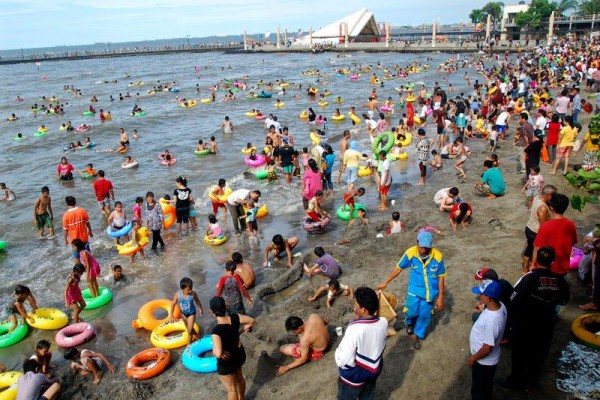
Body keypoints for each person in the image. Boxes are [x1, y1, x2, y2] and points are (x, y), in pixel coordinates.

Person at [499, 247, 570, 390]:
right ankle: (531, 381)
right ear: (553, 261)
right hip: (546, 324)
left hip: (525, 324)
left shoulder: (529, 278)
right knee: (539, 354)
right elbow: (564, 300)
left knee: (519, 354)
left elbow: (513, 299)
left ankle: (515, 380)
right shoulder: (559, 280)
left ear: (536, 259)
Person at [377, 231, 446, 349]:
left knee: (425, 315)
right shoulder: (410, 253)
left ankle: (418, 334)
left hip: (430, 293)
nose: (423, 249)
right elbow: (398, 269)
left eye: (426, 247)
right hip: (414, 291)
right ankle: (409, 323)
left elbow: (441, 277)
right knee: (411, 311)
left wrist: (440, 297)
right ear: (417, 242)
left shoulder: (438, 257)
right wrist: (386, 282)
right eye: (421, 246)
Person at [335, 287, 388, 399]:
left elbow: (343, 360)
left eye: (356, 305)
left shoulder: (354, 329)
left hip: (355, 378)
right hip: (374, 371)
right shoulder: (383, 322)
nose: (354, 307)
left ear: (363, 310)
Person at [209, 296, 255, 400]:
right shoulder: (235, 317)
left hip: (227, 360)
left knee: (231, 389)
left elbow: (217, 352)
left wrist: (219, 353)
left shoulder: (216, 331)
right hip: (238, 354)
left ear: (211, 312)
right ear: (225, 307)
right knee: (240, 379)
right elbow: (252, 320)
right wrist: (239, 332)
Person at [468, 280, 507, 400]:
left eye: (482, 294)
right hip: (489, 360)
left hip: (483, 362)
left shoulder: (492, 321)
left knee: (479, 391)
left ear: (489, 298)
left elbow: (487, 348)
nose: (479, 296)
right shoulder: (501, 305)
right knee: (486, 386)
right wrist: (482, 310)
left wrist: (473, 358)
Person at [532, 193, 578, 275]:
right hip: (563, 267)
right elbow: (572, 243)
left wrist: (533, 264)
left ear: (551, 208)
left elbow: (537, 248)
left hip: (547, 267)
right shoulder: (571, 224)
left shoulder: (545, 226)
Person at [522, 185, 556, 273]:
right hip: (536, 231)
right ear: (548, 195)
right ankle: (530, 268)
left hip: (529, 227)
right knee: (535, 251)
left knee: (529, 248)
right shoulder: (543, 208)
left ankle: (525, 269)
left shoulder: (537, 198)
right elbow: (543, 226)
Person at [170, 277, 204, 345]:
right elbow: (172, 305)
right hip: (183, 314)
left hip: (191, 313)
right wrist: (171, 315)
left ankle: (188, 346)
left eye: (191, 288)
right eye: (188, 289)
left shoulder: (193, 294)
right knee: (189, 329)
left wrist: (200, 309)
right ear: (181, 289)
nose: (190, 291)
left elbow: (197, 301)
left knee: (189, 331)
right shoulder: (178, 295)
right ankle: (197, 336)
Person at [62, 196, 93, 261]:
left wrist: (65, 239)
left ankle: (79, 270)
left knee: (77, 257)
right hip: (84, 238)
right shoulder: (82, 211)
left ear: (67, 204)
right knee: (87, 255)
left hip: (74, 241)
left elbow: (65, 229)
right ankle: (89, 269)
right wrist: (90, 231)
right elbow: (87, 223)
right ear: (75, 202)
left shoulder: (65, 215)